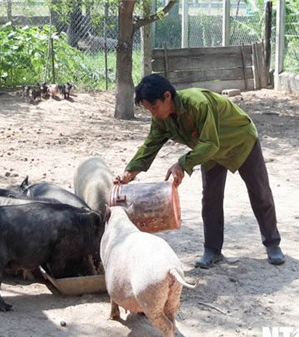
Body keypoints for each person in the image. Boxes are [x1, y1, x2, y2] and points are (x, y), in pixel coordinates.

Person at [115, 74, 285, 268]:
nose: (153, 113)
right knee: (210, 198)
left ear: (167, 96)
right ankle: (212, 250)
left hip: (240, 141)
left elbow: (211, 142)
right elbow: (150, 145)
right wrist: (130, 172)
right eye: (148, 110)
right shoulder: (161, 119)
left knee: (260, 192)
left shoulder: (198, 104)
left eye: (154, 107)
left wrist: (182, 163)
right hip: (210, 151)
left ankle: (273, 244)